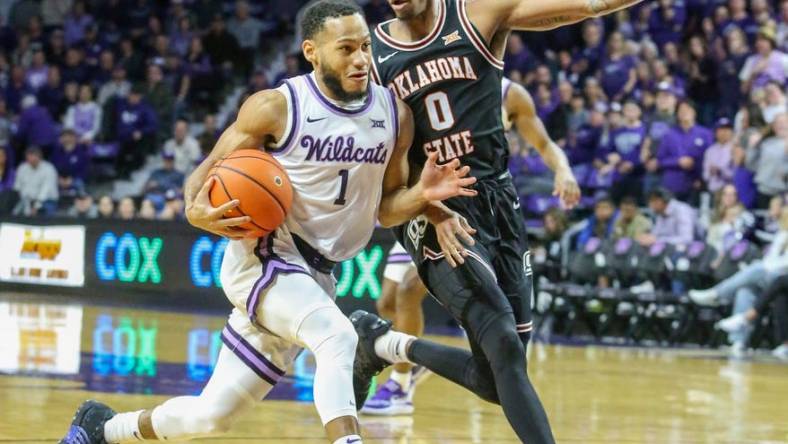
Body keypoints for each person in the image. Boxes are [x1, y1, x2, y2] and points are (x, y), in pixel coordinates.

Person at [59, 3, 475, 444]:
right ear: (311, 51)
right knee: (336, 335)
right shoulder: (277, 106)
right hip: (266, 257)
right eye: (346, 49)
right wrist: (194, 209)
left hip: (316, 276)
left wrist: (422, 195)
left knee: (210, 417)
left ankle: (102, 428)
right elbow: (205, 174)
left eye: (366, 47)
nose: (360, 59)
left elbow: (386, 208)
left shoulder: (395, 115)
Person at [357, 0, 640, 441]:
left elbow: (586, 7)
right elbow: (383, 193)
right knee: (491, 337)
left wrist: (562, 170)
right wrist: (428, 206)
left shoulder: (477, 16)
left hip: (499, 201)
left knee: (499, 376)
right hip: (436, 210)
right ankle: (395, 370)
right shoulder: (371, 55)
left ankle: (384, 344)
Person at [363, 75, 569, 416]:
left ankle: (401, 386)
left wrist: (564, 171)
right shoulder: (428, 81)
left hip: (476, 212)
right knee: (388, 302)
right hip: (426, 203)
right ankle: (420, 356)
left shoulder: (510, 95)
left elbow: (545, 144)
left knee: (410, 291)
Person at [12, 145, 59, 216]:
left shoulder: (49, 169)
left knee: (46, 212)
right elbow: (17, 187)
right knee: (14, 212)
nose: (31, 159)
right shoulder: (22, 168)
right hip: (26, 200)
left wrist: (36, 206)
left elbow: (45, 190)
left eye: (34, 156)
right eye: (29, 157)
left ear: (39, 157)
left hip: (47, 201)